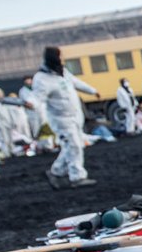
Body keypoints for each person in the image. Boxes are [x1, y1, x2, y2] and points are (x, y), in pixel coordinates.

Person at [33, 46, 99, 188]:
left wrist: (92, 91)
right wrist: (32, 106)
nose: (63, 58)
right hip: (61, 120)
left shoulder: (62, 73)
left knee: (73, 145)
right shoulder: (42, 79)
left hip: (74, 116)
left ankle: (56, 172)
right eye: (60, 56)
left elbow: (76, 82)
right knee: (74, 146)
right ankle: (77, 177)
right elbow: (37, 99)